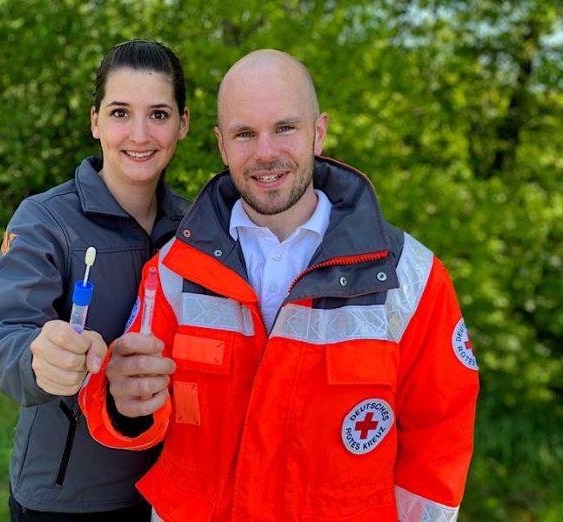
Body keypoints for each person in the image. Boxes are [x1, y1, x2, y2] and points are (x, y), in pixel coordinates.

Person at [80, 49, 479, 521]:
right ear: (222, 145)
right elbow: (131, 409)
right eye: (245, 134)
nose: (265, 152)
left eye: (284, 128)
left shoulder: (409, 276)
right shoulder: (173, 269)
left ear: (319, 132)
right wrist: (122, 402)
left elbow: (439, 439)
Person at [0, 39, 190, 520]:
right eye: (119, 113)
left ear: (183, 123)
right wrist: (39, 359)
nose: (139, 133)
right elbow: (0, 337)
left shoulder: (197, 229)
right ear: (95, 122)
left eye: (158, 114)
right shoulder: (45, 219)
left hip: (169, 493)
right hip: (66, 499)